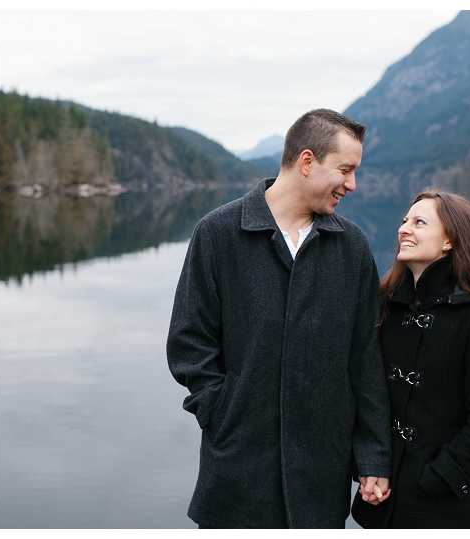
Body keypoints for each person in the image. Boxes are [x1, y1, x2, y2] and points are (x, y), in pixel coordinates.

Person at [167, 109, 391, 528]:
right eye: (345, 169)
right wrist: (225, 411)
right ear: (307, 162)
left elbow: (366, 360)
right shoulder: (217, 234)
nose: (352, 184)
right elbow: (188, 344)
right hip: (237, 472)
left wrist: (373, 454)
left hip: (322, 474)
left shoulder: (353, 248)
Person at [351, 188, 470, 529]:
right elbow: (367, 393)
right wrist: (369, 466)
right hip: (381, 496)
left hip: (440, 506)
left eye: (419, 222)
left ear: (450, 241)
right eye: (404, 221)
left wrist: (436, 478)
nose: (403, 229)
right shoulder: (386, 304)